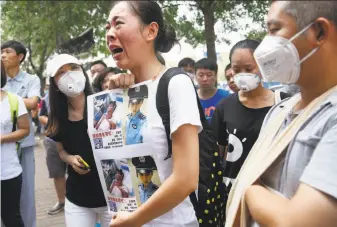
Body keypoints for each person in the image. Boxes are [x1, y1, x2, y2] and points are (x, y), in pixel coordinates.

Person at [225, 1, 337, 226]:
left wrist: (249, 190)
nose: (266, 44)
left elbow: (296, 222)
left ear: (319, 32)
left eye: (275, 30)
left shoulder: (331, 116)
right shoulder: (280, 111)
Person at [106, 1, 200, 226]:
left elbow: (186, 179)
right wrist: (115, 96)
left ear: (151, 31)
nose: (110, 34)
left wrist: (134, 220)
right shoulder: (121, 92)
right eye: (107, 28)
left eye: (118, 24)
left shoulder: (176, 84)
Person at [211, 39, 290, 198]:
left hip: (275, 192)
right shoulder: (224, 107)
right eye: (236, 69)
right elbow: (217, 155)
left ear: (261, 66)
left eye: (248, 68)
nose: (242, 74)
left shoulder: (285, 104)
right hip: (234, 193)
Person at [45, 53, 110, 227]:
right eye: (61, 72)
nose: (69, 74)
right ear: (55, 84)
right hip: (78, 197)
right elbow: (61, 151)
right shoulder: (57, 116)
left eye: (74, 68)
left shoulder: (106, 105)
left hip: (112, 197)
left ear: (83, 72)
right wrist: (70, 159)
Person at [1, 40, 40, 227]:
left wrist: (10, 101)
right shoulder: (2, 81)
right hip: (4, 148)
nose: (2, 56)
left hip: (24, 144)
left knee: (26, 193)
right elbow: (29, 103)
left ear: (20, 56)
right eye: (1, 52)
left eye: (7, 52)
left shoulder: (31, 79)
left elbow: (34, 103)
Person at [1, 60, 29, 227]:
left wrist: (3, 138)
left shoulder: (14, 100)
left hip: (8, 171)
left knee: (11, 217)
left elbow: (24, 129)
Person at [38, 85, 66, 215]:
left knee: (80, 170)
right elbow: (41, 115)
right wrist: (51, 122)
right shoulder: (47, 98)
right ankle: (62, 202)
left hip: (73, 139)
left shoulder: (77, 94)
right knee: (57, 173)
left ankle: (78, 202)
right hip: (52, 140)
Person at [195, 58, 230, 123]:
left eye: (209, 75)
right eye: (201, 75)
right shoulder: (191, 98)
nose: (205, 79)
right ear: (195, 76)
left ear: (216, 76)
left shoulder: (226, 97)